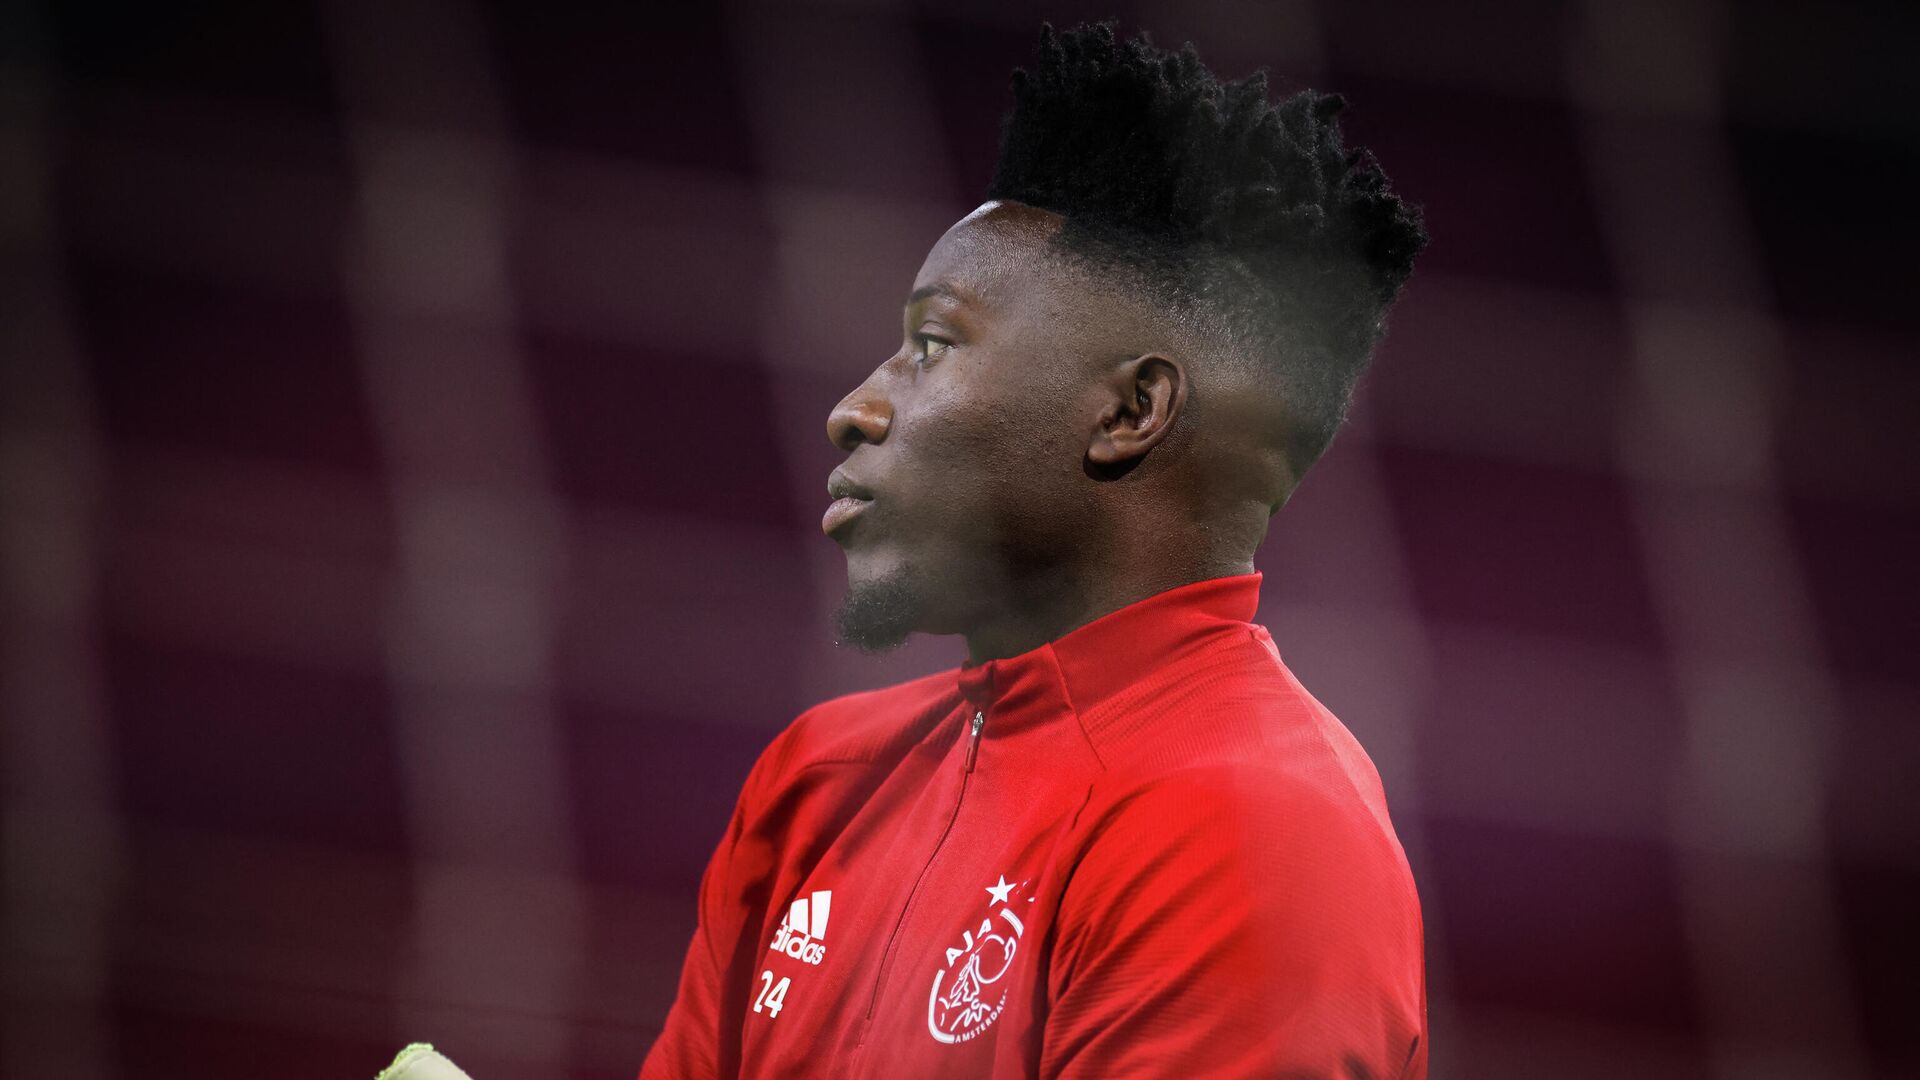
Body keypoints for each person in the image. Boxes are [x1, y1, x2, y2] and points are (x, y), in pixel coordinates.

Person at [641, 21, 1429, 1079]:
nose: (852, 409)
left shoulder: (1248, 832)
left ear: (1131, 410)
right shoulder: (814, 786)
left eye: (931, 345)